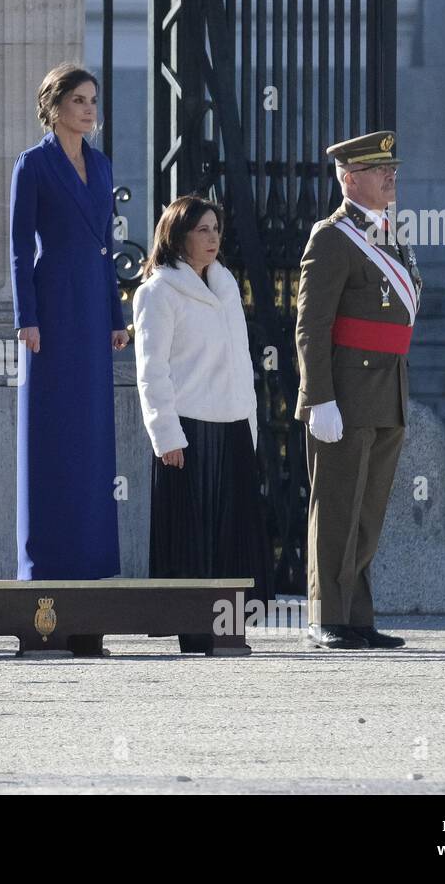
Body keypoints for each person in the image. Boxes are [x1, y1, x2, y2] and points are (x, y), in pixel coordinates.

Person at [294, 130, 422, 650]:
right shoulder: (331, 237)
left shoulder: (390, 235)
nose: (391, 175)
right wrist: (318, 395)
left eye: (391, 168)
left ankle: (358, 616)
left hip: (386, 390)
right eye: (378, 169)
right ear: (350, 179)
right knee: (338, 507)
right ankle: (327, 616)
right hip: (343, 394)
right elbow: (311, 325)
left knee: (368, 512)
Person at [10, 63, 128, 580]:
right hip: (52, 308)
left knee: (93, 433)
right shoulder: (31, 165)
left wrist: (116, 315)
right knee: (51, 430)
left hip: (93, 310)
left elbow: (108, 249)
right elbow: (17, 249)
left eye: (93, 101)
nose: (89, 109)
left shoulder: (101, 166)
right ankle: (46, 563)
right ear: (54, 106)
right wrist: (26, 317)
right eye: (79, 100)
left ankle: (94, 560)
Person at [133, 195, 271, 603]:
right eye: (202, 230)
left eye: (216, 229)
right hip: (188, 430)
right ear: (178, 236)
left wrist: (250, 420)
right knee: (191, 534)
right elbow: (152, 368)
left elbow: (241, 360)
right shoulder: (157, 291)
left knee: (233, 530)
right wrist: (165, 434)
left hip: (232, 424)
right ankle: (191, 627)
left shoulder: (226, 285)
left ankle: (229, 624)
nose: (213, 238)